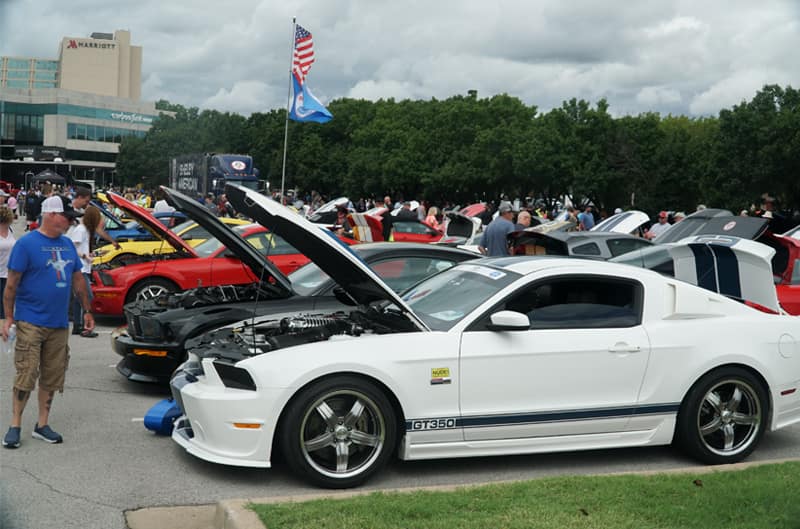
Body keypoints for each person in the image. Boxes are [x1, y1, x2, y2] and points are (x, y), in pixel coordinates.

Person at [2, 195, 94, 449]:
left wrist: (87, 310)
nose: (69, 222)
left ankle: (42, 424)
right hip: (30, 319)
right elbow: (11, 285)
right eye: (66, 216)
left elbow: (77, 280)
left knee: (53, 375)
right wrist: (7, 318)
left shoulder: (66, 244)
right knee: (27, 372)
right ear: (51, 214)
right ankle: (15, 424)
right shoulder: (26, 244)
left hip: (59, 323)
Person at [68, 206, 101, 337]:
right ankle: (83, 326)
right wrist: (84, 256)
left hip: (84, 266)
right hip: (80, 267)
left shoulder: (85, 230)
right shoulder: (81, 230)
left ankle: (78, 325)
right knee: (87, 296)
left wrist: (90, 254)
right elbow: (72, 248)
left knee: (79, 298)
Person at [0, 207, 17, 319]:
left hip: (9, 272)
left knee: (8, 300)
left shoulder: (10, 231)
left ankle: (5, 322)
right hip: (0, 272)